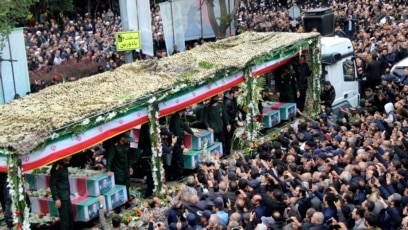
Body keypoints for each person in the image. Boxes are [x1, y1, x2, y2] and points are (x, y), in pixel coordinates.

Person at [106, 132, 133, 209]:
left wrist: (130, 167)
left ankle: (127, 202)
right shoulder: (115, 147)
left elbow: (129, 158)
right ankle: (117, 206)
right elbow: (109, 160)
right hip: (118, 171)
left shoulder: (127, 146)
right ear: (122, 138)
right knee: (118, 189)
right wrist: (108, 170)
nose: (128, 141)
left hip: (125, 170)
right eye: (127, 139)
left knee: (126, 186)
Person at [169, 108, 197, 181]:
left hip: (175, 141)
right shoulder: (176, 120)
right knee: (179, 159)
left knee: (175, 158)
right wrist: (181, 143)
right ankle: (179, 176)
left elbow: (184, 126)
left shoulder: (176, 118)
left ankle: (173, 174)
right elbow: (178, 132)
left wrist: (192, 133)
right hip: (177, 143)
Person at [50, 156, 74, 230]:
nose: (68, 162)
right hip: (61, 197)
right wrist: (56, 198)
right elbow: (52, 185)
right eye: (66, 160)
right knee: (64, 220)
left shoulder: (64, 166)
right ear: (61, 159)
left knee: (70, 216)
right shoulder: (56, 169)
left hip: (66, 195)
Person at [223, 87, 240, 156]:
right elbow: (225, 114)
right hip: (229, 122)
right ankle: (227, 152)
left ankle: (229, 150)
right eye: (236, 94)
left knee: (230, 137)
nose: (237, 95)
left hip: (232, 120)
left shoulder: (233, 100)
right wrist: (228, 123)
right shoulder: (228, 102)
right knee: (228, 137)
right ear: (232, 94)